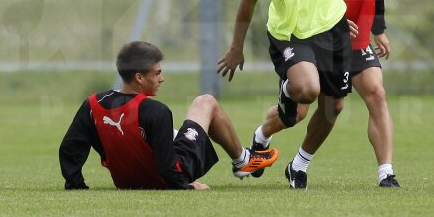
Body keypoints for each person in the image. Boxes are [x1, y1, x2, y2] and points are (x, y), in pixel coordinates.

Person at [216, 0, 434, 189]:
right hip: (291, 34)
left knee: (333, 108)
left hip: (332, 30)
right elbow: (248, 0)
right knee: (306, 92)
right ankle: (287, 94)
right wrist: (235, 48)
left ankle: (299, 166)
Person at [59, 40, 278, 190]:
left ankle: (243, 160)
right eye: (157, 73)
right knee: (205, 102)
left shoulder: (92, 104)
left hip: (126, 181)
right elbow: (167, 167)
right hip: (172, 175)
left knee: (166, 134)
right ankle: (242, 161)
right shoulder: (156, 111)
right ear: (139, 78)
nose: (161, 79)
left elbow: (69, 147)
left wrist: (75, 184)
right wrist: (186, 186)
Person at [336, 0, 400, 188]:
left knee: (376, 93)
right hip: (323, 40)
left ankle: (386, 172)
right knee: (299, 110)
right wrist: (333, 19)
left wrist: (379, 28)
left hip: (359, 38)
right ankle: (263, 137)